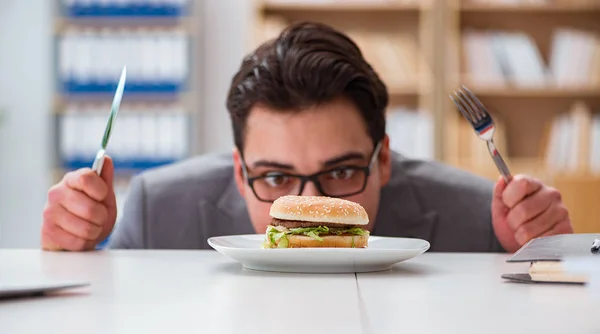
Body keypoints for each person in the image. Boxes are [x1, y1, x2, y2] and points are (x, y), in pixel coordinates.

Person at [40, 22, 573, 253]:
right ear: (238, 170)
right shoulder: (159, 208)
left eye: (341, 172)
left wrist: (541, 251)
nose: (309, 208)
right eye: (274, 177)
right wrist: (67, 248)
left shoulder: (480, 215)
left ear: (383, 159)